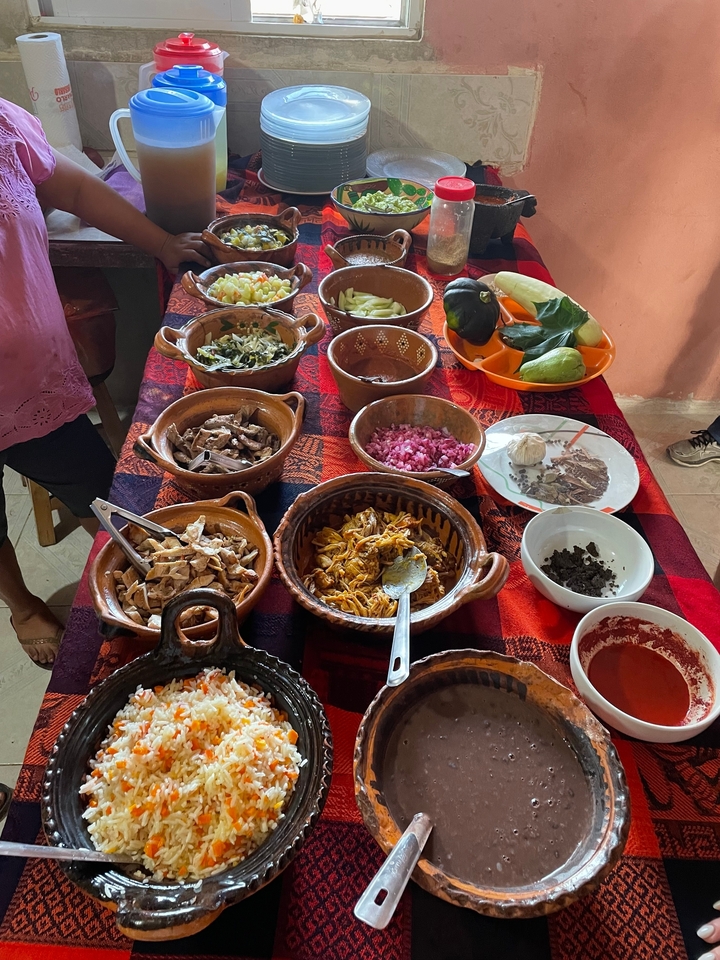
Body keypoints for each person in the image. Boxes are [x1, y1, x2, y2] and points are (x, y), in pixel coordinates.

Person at [0, 97, 211, 668]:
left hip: (31, 384)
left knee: (104, 493)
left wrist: (162, 244)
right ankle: (20, 605)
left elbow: (73, 190)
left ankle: (150, 587)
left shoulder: (3, 125)